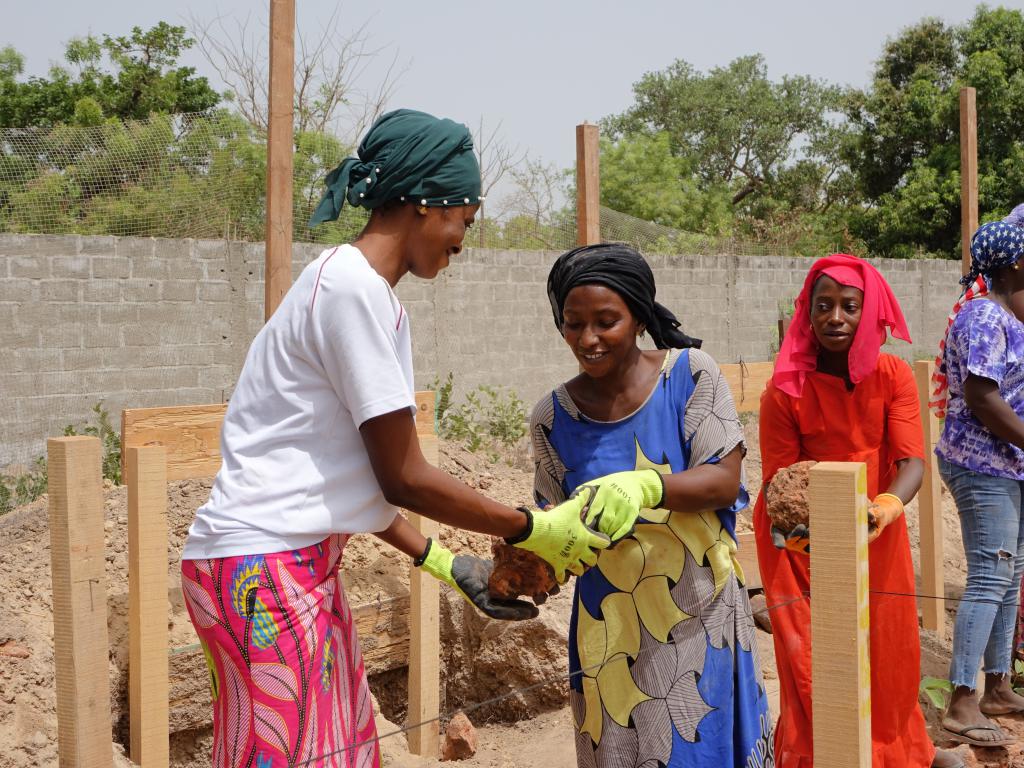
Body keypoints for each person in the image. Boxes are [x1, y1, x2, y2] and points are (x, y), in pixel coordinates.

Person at [178, 110, 610, 767]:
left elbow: (346, 472)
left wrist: (446, 564)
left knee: (345, 752)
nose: (462, 239)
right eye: (462, 218)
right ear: (421, 204)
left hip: (289, 565)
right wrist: (528, 528)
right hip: (263, 571)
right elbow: (403, 476)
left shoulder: (362, 293)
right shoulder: (350, 292)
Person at [529, 243, 773, 767]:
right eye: (573, 324)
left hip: (698, 620)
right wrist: (529, 554)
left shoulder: (690, 376)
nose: (587, 339)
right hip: (609, 630)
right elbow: (557, 530)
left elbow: (724, 480)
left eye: (606, 321)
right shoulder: (552, 418)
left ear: (638, 317)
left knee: (700, 749)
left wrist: (647, 488)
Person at [755, 253, 960, 767]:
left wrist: (886, 506)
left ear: (869, 313)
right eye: (823, 306)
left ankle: (898, 751)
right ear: (808, 314)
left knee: (889, 647)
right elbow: (780, 482)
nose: (835, 318)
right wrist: (805, 538)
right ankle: (818, 754)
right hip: (800, 537)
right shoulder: (784, 390)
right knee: (814, 654)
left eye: (849, 306)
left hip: (876, 525)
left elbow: (911, 460)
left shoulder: (891, 375)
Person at [931, 220, 1024, 748]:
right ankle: (962, 701)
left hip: (1008, 464)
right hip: (981, 463)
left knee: (1009, 577)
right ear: (1015, 263)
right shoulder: (985, 315)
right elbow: (983, 397)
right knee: (991, 576)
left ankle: (997, 687)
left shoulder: (1007, 312)